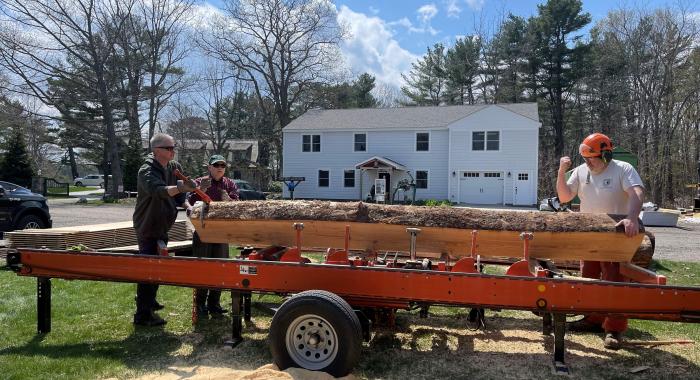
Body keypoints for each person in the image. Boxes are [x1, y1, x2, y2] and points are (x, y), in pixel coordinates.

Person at [556, 132, 645, 350]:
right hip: (591, 235)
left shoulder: (623, 169)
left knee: (615, 281)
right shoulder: (581, 171)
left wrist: (631, 218)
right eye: (585, 158)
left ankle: (614, 328)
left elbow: (637, 192)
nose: (587, 162)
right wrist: (561, 173)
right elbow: (564, 196)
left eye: (591, 158)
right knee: (589, 278)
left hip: (616, 235)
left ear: (605, 155)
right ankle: (593, 319)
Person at [132, 133, 198, 327]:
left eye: (173, 147)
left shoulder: (174, 168)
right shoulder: (146, 170)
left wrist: (188, 206)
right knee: (148, 269)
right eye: (168, 148)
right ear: (156, 150)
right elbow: (159, 191)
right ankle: (143, 314)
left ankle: (150, 300)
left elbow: (179, 196)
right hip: (147, 224)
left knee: (158, 264)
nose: (173, 151)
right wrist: (181, 187)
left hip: (163, 224)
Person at [187, 154, 240, 319]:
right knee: (202, 268)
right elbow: (188, 202)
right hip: (203, 230)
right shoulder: (199, 182)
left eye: (222, 166)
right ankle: (200, 304)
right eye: (216, 165)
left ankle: (214, 304)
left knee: (220, 267)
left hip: (222, 231)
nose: (219, 168)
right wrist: (201, 190)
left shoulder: (229, 184)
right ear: (209, 167)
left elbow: (237, 205)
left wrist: (229, 200)